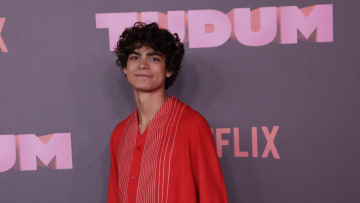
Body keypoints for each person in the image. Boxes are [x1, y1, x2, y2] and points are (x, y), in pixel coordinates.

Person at [108, 22, 228, 203]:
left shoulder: (192, 125)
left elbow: (212, 196)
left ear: (169, 69)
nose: (142, 65)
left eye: (154, 58)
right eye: (134, 57)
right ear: (125, 68)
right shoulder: (120, 132)